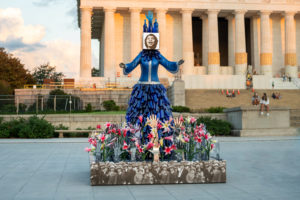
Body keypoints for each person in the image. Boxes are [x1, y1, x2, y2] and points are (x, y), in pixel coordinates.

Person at [119, 11, 184, 143]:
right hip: (141, 89)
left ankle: (159, 142)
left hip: (155, 89)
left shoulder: (158, 55)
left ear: (155, 40)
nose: (150, 41)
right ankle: (137, 142)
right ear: (145, 40)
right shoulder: (141, 55)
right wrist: (125, 67)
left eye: (152, 39)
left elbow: (168, 64)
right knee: (139, 115)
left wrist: (176, 64)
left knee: (158, 114)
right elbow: (131, 65)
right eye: (148, 39)